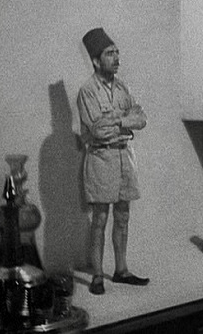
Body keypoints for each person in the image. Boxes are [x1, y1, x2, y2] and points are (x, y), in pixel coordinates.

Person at [77, 27, 149, 295]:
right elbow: (97, 131)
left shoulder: (123, 88)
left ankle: (121, 270)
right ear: (96, 61)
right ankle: (97, 275)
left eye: (117, 52)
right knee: (99, 218)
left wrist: (117, 120)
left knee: (123, 215)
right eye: (110, 53)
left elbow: (141, 118)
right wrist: (124, 122)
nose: (116, 58)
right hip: (101, 158)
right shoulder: (88, 91)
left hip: (123, 157)